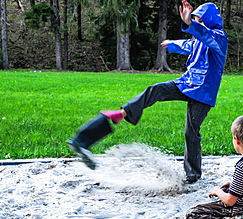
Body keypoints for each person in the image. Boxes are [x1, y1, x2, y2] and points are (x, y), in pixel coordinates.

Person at [67, 1, 228, 183]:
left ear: (209, 20)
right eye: (195, 19)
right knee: (156, 90)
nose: (197, 22)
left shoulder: (219, 38)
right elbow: (189, 45)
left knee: (191, 132)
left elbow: (206, 36)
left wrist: (191, 24)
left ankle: (193, 175)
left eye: (200, 19)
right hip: (187, 83)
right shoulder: (198, 40)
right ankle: (123, 112)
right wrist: (172, 44)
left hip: (203, 92)